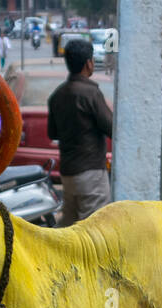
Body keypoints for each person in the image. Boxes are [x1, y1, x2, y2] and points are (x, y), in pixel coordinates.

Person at [48, 38, 113, 225]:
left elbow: (52, 133)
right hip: (91, 173)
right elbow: (111, 128)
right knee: (93, 229)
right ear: (88, 63)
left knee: (70, 227)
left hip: (68, 174)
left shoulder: (58, 95)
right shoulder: (91, 93)